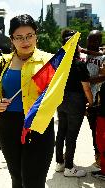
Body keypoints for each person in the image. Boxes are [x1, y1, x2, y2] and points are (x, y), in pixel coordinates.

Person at [0, 14, 54, 188]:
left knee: (33, 180)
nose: (26, 41)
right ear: (12, 39)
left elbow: (57, 94)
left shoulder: (49, 61)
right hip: (8, 125)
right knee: (17, 178)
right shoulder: (3, 63)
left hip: (37, 126)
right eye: (19, 37)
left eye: (29, 35)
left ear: (36, 35)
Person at [55, 29, 93, 177]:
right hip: (76, 101)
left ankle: (60, 163)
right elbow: (87, 88)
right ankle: (69, 167)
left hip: (60, 100)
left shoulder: (59, 63)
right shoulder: (79, 64)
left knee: (61, 132)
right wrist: (91, 103)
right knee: (72, 135)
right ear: (77, 46)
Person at [82, 30, 105, 167]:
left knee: (99, 130)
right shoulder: (81, 56)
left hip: (98, 100)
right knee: (93, 129)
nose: (90, 42)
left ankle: (100, 156)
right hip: (83, 98)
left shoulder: (103, 57)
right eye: (89, 39)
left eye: (93, 40)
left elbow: (103, 76)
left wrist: (86, 80)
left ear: (99, 41)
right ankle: (97, 154)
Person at [91, 82, 105, 180]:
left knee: (102, 145)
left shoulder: (104, 86)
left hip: (103, 117)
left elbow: (101, 103)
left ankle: (104, 172)